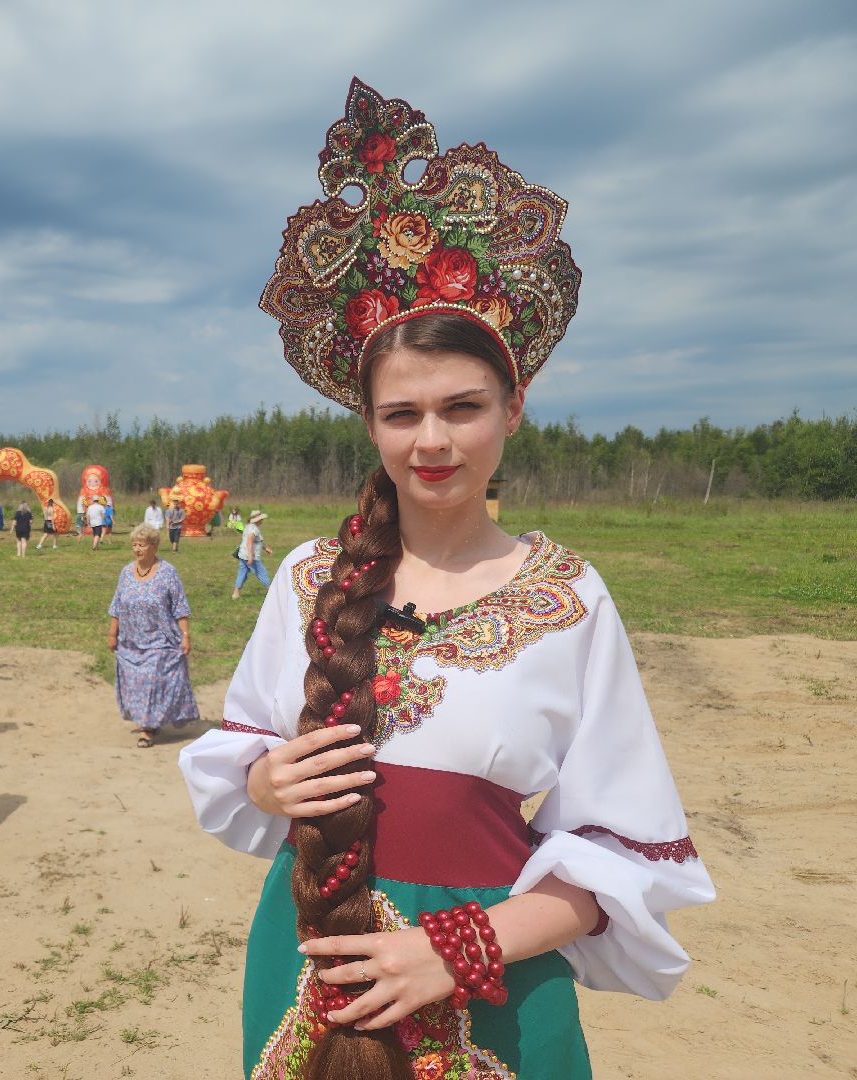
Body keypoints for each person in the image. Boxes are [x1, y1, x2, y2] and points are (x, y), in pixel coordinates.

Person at [179, 83, 715, 1079]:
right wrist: (264, 777)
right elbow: (242, 755)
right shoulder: (307, 578)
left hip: (489, 992)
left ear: (513, 411)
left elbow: (615, 856)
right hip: (310, 974)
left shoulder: (567, 600)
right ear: (371, 425)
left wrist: (452, 950)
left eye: (462, 407)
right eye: (402, 414)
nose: (432, 440)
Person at [107, 523, 199, 749]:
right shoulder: (126, 572)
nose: (137, 549)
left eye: (142, 545)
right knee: (136, 684)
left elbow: (180, 607)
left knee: (150, 681)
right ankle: (150, 720)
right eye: (134, 545)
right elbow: (117, 605)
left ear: (154, 546)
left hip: (160, 640)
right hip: (130, 641)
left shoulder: (168, 573)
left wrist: (185, 635)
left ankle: (147, 728)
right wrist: (112, 633)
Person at [232, 510, 274, 599]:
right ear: (257, 520)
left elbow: (256, 542)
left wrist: (265, 548)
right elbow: (249, 543)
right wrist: (251, 557)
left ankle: (236, 592)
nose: (262, 520)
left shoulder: (249, 527)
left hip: (243, 555)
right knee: (261, 572)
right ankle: (270, 591)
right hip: (251, 557)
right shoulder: (253, 529)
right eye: (261, 519)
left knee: (242, 573)